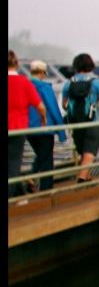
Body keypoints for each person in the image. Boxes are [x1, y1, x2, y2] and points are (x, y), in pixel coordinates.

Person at [62, 53, 99, 182]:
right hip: (92, 122)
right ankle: (82, 176)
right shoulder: (97, 83)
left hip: (76, 122)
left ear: (75, 66)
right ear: (91, 66)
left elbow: (64, 105)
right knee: (90, 150)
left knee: (82, 149)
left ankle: (86, 175)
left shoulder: (68, 84)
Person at [8, 49, 46, 197]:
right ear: (16, 64)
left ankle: (19, 193)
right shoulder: (24, 82)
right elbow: (40, 106)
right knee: (14, 162)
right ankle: (12, 196)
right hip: (18, 128)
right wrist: (43, 118)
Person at [27, 60, 68, 191]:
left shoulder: (25, 86)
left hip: (27, 128)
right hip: (45, 128)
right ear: (43, 73)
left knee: (40, 155)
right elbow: (53, 108)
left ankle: (31, 179)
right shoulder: (44, 88)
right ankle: (46, 189)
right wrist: (61, 132)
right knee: (46, 159)